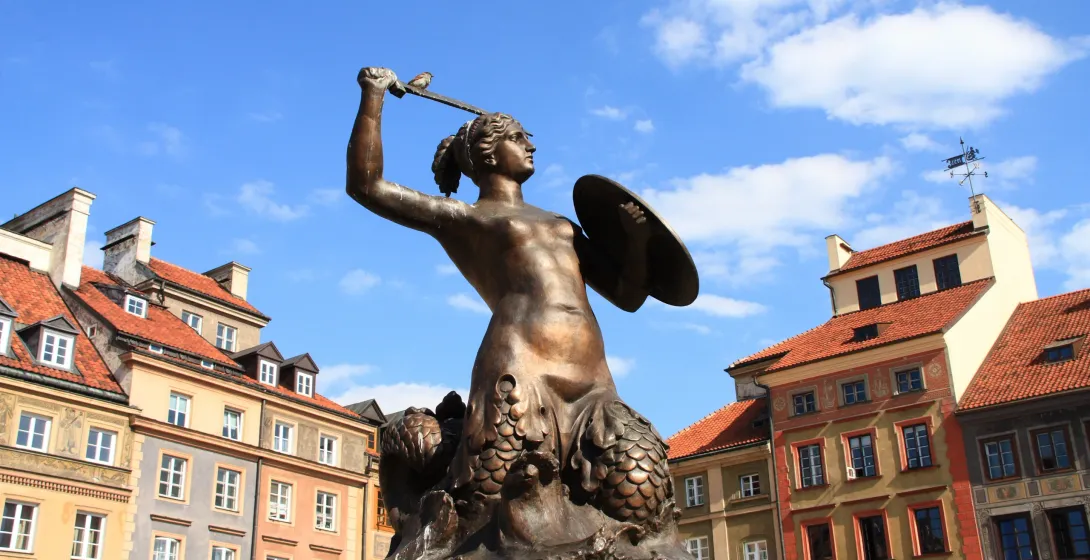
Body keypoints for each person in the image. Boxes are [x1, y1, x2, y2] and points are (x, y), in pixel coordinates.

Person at [347, 67, 670, 525]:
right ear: (488, 153)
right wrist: (373, 98)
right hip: (522, 367)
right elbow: (367, 186)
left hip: (591, 375)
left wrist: (636, 243)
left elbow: (627, 295)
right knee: (493, 494)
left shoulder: (561, 224)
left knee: (642, 482)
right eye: (518, 138)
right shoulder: (465, 218)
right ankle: (431, 457)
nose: (531, 145)